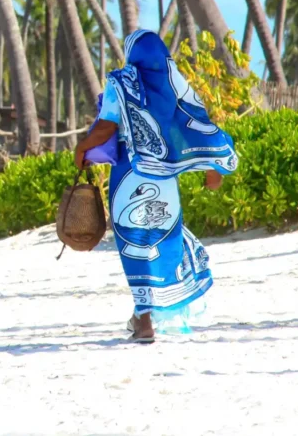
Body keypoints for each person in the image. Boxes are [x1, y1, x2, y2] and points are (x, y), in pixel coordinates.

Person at [74, 30, 238, 343]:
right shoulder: (174, 83)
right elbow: (195, 122)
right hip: (163, 180)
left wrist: (80, 149)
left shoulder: (121, 82)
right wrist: (211, 166)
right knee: (162, 239)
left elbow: (107, 126)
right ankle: (144, 315)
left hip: (129, 175)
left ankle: (144, 320)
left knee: (134, 242)